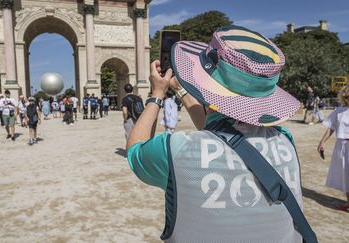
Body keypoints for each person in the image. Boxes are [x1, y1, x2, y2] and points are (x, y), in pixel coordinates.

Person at [126, 25, 315, 242]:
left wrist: (157, 93)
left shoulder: (176, 149)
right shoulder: (285, 140)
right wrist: (181, 91)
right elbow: (222, 135)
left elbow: (135, 151)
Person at [317, 84, 349, 218]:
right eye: (346, 96)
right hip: (341, 146)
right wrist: (322, 141)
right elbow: (331, 127)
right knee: (345, 174)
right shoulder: (339, 110)